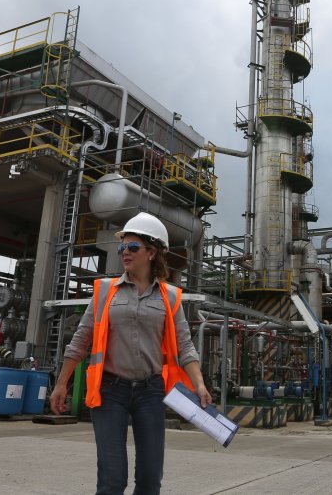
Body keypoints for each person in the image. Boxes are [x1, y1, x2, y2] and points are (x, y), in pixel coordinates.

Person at [50, 212, 211, 495]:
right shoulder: (104, 291)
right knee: (112, 480)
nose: (125, 252)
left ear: (152, 252)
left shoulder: (170, 297)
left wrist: (198, 383)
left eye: (133, 247)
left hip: (151, 391)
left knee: (150, 481)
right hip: (110, 391)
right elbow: (80, 340)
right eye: (122, 247)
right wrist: (62, 383)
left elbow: (185, 345)